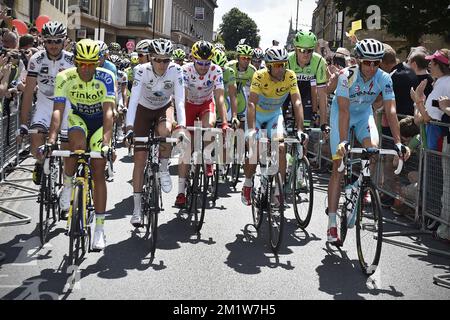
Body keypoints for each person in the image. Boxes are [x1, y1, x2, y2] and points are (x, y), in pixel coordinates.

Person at [327, 38, 409, 243]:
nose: (372, 67)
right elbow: (344, 111)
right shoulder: (347, 76)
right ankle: (331, 222)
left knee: (373, 150)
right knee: (338, 164)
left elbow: (390, 110)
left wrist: (399, 142)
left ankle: (359, 186)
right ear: (358, 60)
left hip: (364, 114)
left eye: (376, 63)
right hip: (342, 115)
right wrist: (344, 141)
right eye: (367, 62)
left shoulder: (384, 78)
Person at [47, 39, 116, 251]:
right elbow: (58, 110)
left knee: (97, 170)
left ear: (98, 63)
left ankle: (99, 230)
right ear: (75, 62)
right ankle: (68, 186)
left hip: (99, 123)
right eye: (81, 64)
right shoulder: (64, 77)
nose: (86, 69)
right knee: (75, 146)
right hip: (78, 118)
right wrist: (51, 139)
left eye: (91, 64)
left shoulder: (107, 77)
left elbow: (108, 112)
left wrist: (106, 143)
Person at [124, 38, 186, 226]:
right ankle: (136, 208)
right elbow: (133, 101)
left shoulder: (176, 70)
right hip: (143, 109)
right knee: (140, 161)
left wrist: (181, 125)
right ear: (150, 58)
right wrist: (129, 128)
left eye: (166, 60)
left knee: (165, 131)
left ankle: (164, 168)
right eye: (158, 60)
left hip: (163, 108)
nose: (162, 64)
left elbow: (180, 100)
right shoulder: (141, 71)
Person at [241, 46, 307, 206]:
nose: (281, 68)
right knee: (255, 151)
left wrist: (300, 129)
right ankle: (248, 183)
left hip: (274, 116)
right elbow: (251, 104)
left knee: (281, 147)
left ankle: (278, 190)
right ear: (269, 66)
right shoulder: (259, 75)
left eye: (283, 64)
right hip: (257, 115)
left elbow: (297, 101)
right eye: (277, 65)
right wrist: (250, 130)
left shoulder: (290, 76)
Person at [19, 21, 74, 194]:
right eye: (49, 41)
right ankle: (40, 162)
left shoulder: (71, 60)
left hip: (66, 105)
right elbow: (28, 93)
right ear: (43, 41)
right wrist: (23, 124)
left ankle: (67, 186)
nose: (53, 45)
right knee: (36, 138)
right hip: (44, 103)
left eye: (57, 41)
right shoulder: (36, 60)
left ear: (64, 41)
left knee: (67, 148)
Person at [174, 40, 229, 207]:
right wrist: (181, 123)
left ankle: (207, 158)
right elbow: (181, 98)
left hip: (206, 103)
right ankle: (181, 192)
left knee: (209, 127)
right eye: (200, 63)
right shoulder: (185, 70)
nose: (204, 67)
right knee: (185, 150)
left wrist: (225, 122)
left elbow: (219, 98)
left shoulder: (216, 70)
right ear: (193, 59)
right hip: (188, 104)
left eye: (207, 63)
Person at [287, 30, 328, 131]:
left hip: (307, 91)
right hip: (288, 90)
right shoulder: (287, 59)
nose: (306, 54)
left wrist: (324, 123)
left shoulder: (319, 61)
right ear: (295, 49)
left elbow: (322, 94)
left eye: (309, 51)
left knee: (305, 128)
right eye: (302, 50)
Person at [225, 44, 257, 125]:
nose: (246, 60)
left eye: (248, 58)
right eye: (243, 58)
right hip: (228, 95)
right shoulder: (229, 66)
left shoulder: (252, 70)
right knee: (228, 119)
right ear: (238, 58)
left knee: (242, 121)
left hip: (241, 95)